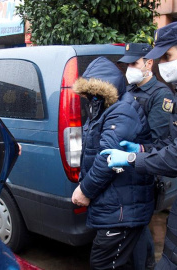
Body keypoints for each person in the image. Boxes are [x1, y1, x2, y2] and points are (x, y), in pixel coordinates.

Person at [102, 21, 177, 270]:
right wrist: (140, 150)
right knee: (168, 263)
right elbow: (170, 142)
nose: (164, 63)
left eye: (168, 56)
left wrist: (133, 160)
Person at [71, 56, 154, 270]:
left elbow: (106, 157)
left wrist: (85, 191)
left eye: (94, 92)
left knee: (103, 263)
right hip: (117, 204)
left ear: (106, 89)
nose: (91, 98)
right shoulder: (103, 108)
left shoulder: (121, 111)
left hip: (121, 209)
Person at [118, 43, 174, 270]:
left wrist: (134, 151)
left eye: (134, 63)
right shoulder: (129, 90)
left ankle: (145, 265)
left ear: (149, 63)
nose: (129, 68)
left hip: (143, 171)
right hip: (126, 170)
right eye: (127, 64)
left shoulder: (161, 95)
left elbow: (158, 141)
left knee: (136, 225)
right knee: (135, 226)